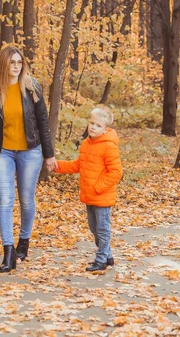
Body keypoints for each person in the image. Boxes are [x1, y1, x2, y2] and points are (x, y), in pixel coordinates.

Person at [0, 46, 57, 273]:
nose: (16, 66)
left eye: (19, 62)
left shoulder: (32, 88)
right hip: (2, 153)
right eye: (12, 62)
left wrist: (49, 155)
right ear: (3, 65)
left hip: (30, 152)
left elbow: (43, 123)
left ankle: (24, 241)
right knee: (5, 200)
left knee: (26, 200)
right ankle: (8, 251)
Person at [52, 105, 122, 272]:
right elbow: (78, 165)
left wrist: (98, 187)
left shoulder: (109, 146)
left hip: (101, 196)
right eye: (91, 123)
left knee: (102, 229)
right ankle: (108, 255)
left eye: (98, 125)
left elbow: (116, 172)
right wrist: (57, 166)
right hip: (89, 195)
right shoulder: (86, 144)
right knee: (93, 227)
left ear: (105, 129)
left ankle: (101, 260)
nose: (93, 127)